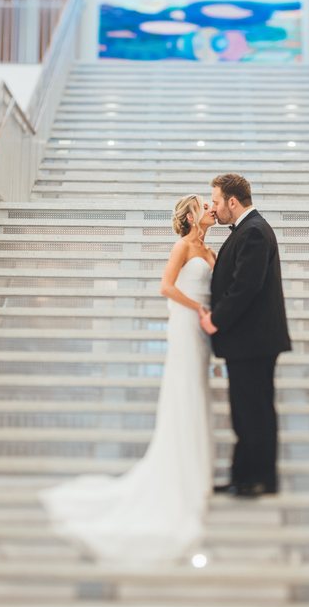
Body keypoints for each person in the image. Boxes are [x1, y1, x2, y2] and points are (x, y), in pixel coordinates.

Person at [39, 195, 217, 562]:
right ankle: (178, 477)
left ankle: (197, 474)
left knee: (198, 393)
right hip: (186, 324)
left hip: (203, 331)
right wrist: (198, 307)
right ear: (189, 216)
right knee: (183, 391)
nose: (209, 209)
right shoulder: (183, 245)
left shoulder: (211, 249)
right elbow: (165, 287)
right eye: (202, 205)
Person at [200, 173, 291, 499]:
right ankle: (245, 476)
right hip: (251, 341)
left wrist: (216, 320)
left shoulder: (252, 232)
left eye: (216, 201)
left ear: (232, 202)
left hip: (253, 341)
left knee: (254, 412)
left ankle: (259, 479)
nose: (214, 207)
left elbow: (245, 287)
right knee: (247, 411)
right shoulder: (250, 229)